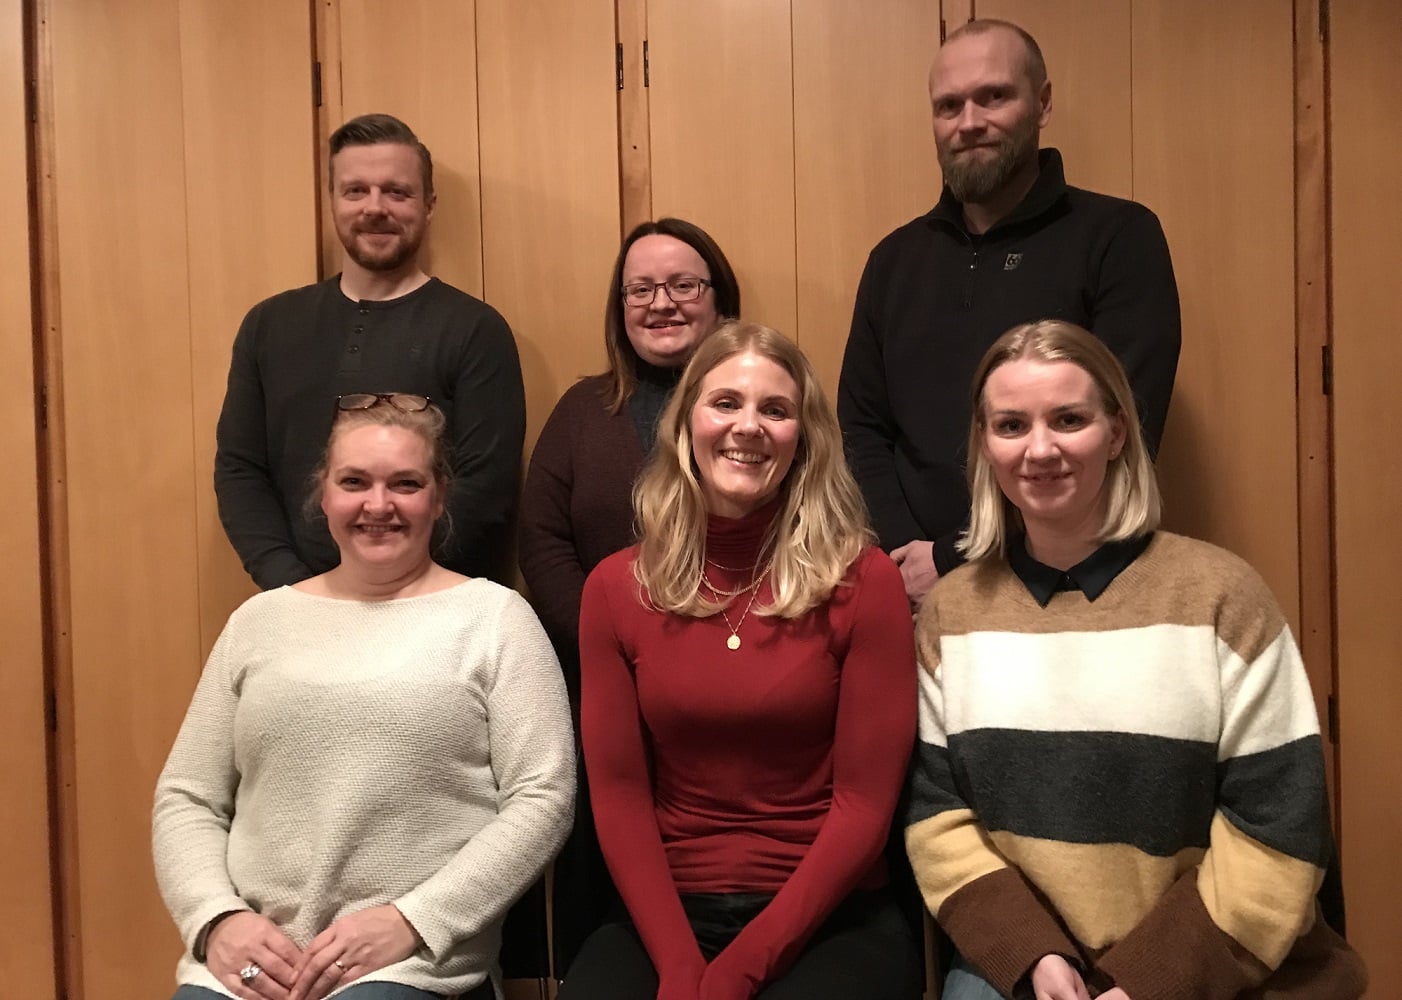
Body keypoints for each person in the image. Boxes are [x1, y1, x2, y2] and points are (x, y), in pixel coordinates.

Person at [904, 320, 1366, 1000]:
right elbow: (937, 817)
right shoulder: (952, 613)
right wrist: (1032, 955)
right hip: (1033, 967)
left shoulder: (1221, 596)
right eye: (1011, 425)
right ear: (984, 443)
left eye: (1069, 419)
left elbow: (1279, 827)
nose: (1040, 449)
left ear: (1117, 432)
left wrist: (1146, 983)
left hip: (1211, 969)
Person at [154, 394, 574, 1000]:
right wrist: (216, 920)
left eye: (406, 483)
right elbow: (187, 796)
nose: (379, 505)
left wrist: (414, 920)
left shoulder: (494, 619)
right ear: (324, 495)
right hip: (249, 969)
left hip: (410, 966)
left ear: (438, 497)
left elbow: (544, 798)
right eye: (354, 482)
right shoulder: (257, 622)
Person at [560, 323, 921, 1000]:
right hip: (666, 913)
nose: (748, 426)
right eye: (725, 403)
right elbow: (620, 797)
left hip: (828, 913)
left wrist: (739, 972)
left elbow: (864, 805)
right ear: (685, 424)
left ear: (803, 439)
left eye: (775, 410)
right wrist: (679, 968)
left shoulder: (865, 581)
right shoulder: (615, 588)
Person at [837, 18, 1181, 609]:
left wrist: (955, 557)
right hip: (913, 590)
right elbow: (860, 427)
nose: (969, 122)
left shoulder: (1120, 238)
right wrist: (905, 556)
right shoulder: (894, 260)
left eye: (993, 96)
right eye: (948, 106)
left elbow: (1124, 428)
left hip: (1074, 584)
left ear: (1042, 103)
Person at [519, 218, 740, 976]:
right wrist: (613, 646)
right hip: (603, 689)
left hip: (739, 687)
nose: (661, 303)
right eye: (640, 289)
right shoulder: (583, 409)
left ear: (720, 300)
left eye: (683, 285)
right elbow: (542, 540)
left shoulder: (759, 408)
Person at [215, 113, 525, 589]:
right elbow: (240, 470)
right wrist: (293, 587)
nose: (375, 208)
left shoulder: (476, 331)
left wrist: (387, 583)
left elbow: (486, 488)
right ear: (332, 201)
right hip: (295, 602)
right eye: (355, 190)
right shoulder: (268, 325)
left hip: (428, 605)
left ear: (428, 205)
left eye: (396, 192)